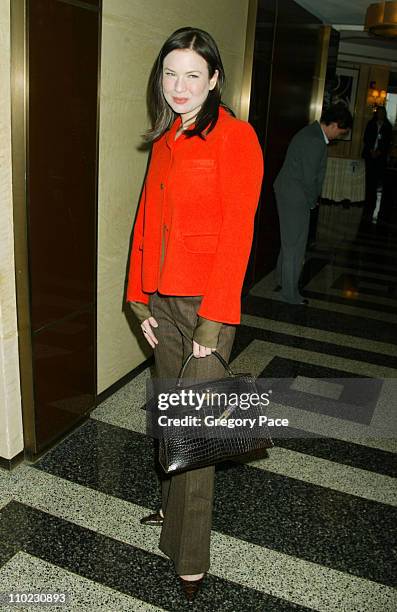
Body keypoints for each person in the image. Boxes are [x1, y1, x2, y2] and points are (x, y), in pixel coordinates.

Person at [126, 27, 263, 601]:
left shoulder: (236, 139)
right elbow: (145, 220)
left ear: (213, 80)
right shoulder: (165, 139)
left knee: (198, 434)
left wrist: (214, 322)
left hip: (208, 307)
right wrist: (137, 299)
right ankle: (169, 509)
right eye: (170, 74)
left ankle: (190, 557)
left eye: (192, 75)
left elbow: (237, 236)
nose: (180, 86)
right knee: (168, 416)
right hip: (163, 302)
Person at [274, 104, 353, 305]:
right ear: (335, 124)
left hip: (290, 192)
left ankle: (282, 281)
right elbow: (310, 178)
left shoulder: (312, 133)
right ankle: (290, 294)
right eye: (341, 132)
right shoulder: (314, 140)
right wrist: (312, 200)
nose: (339, 136)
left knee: (289, 242)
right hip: (296, 195)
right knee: (295, 245)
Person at [362, 106, 392, 225]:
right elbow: (366, 138)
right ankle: (368, 199)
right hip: (369, 155)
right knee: (368, 178)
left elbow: (387, 142)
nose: (380, 114)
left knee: (377, 179)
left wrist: (379, 151)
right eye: (379, 113)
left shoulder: (387, 127)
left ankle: (374, 202)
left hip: (380, 157)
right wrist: (371, 150)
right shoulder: (371, 124)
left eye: (382, 113)